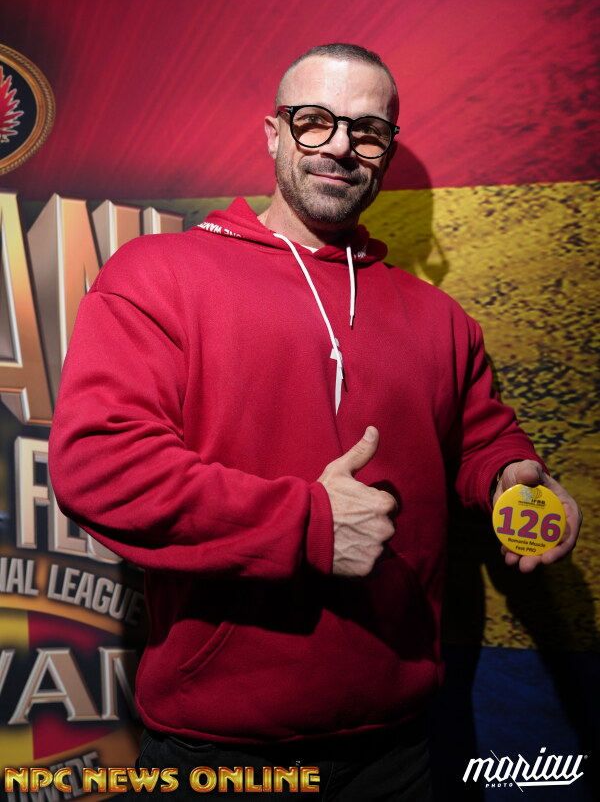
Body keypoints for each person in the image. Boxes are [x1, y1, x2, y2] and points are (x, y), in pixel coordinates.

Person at [49, 44, 581, 800]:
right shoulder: (157, 275)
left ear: (385, 149)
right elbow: (102, 469)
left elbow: (480, 436)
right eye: (313, 121)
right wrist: (310, 524)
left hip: (403, 745)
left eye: (367, 130)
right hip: (225, 751)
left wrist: (511, 475)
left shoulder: (439, 317)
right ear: (273, 133)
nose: (339, 145)